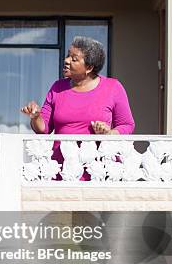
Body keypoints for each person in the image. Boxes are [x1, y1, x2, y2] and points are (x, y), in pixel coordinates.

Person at [21, 36, 135, 178]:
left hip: (99, 172)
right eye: (68, 55)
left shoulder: (113, 87)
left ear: (89, 67)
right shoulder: (57, 87)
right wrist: (36, 116)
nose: (66, 60)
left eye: (74, 59)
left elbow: (127, 125)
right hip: (62, 170)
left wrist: (109, 133)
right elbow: (43, 129)